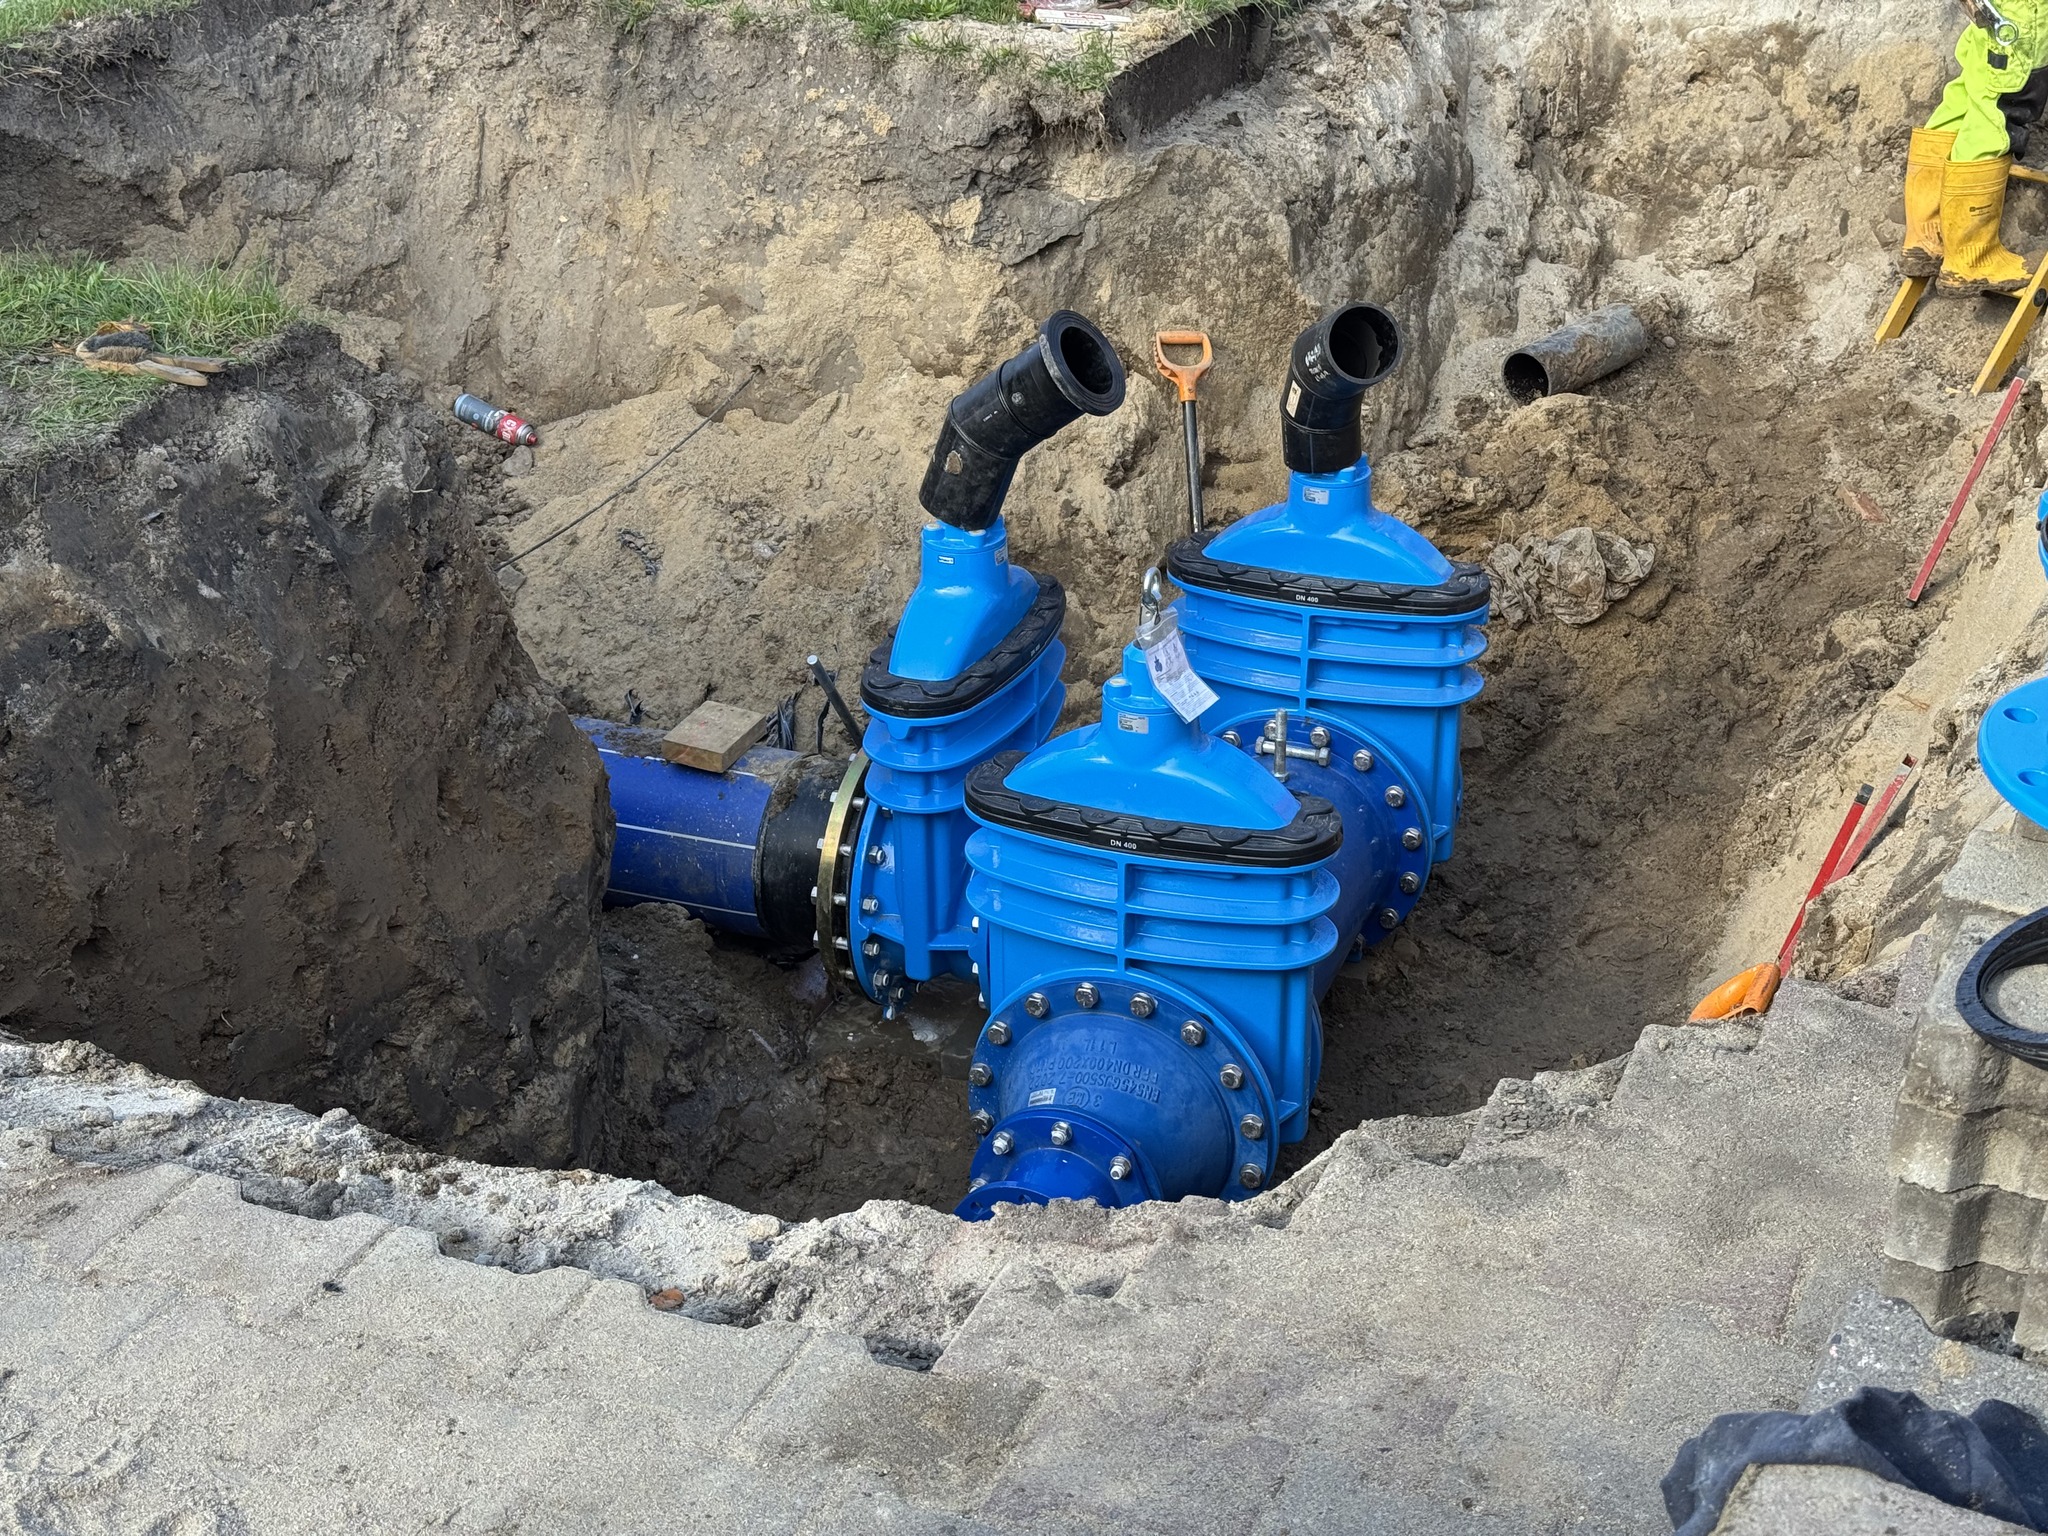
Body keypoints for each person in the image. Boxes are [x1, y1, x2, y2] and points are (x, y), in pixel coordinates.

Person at [1904, 0, 2048, 293]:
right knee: (2000, 110)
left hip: (1999, 8)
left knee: (1971, 94)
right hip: (2024, 12)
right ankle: (1972, 258)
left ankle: (1929, 235)